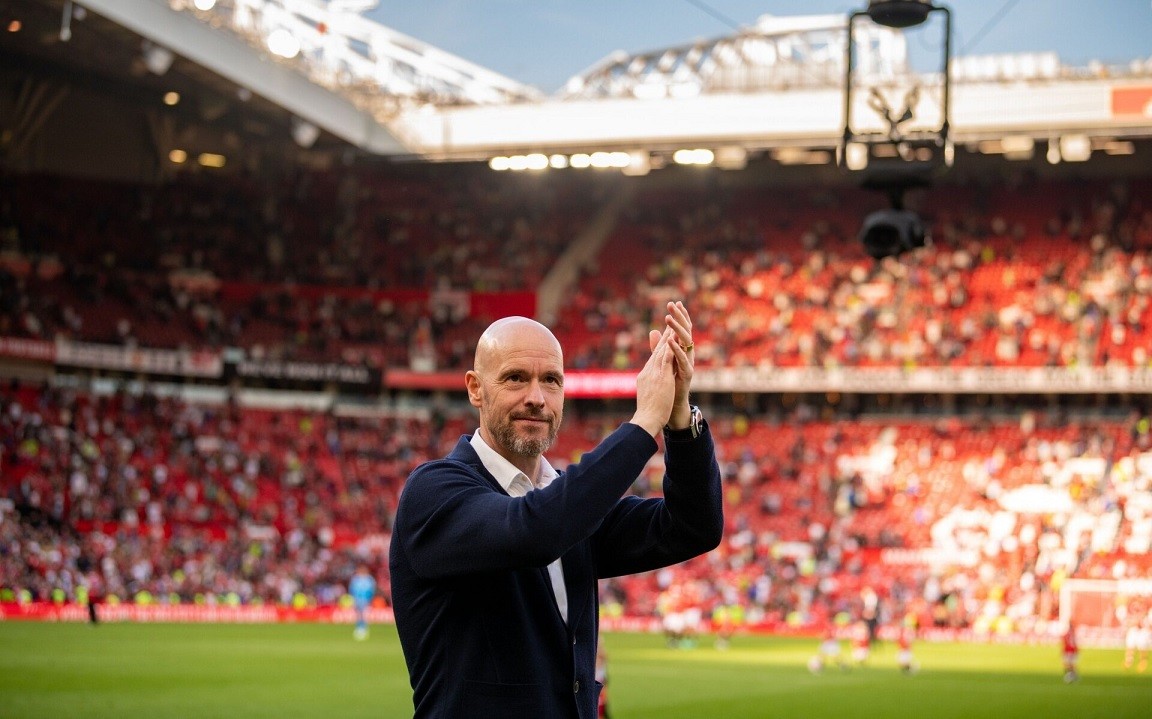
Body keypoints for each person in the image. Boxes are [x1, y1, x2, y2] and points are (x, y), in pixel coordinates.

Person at [389, 302, 723, 719]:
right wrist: (642, 424)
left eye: (551, 380)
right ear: (475, 388)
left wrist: (678, 419)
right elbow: (534, 531)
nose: (536, 398)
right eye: (515, 378)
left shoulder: (567, 503)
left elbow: (693, 527)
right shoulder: (434, 491)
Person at [348, 565, 376, 640]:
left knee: (364, 614)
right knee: (358, 614)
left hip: (365, 600)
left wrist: (370, 599)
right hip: (357, 600)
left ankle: (364, 628)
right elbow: (352, 589)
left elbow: (371, 590)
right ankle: (358, 628)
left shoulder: (369, 579)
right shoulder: (355, 579)